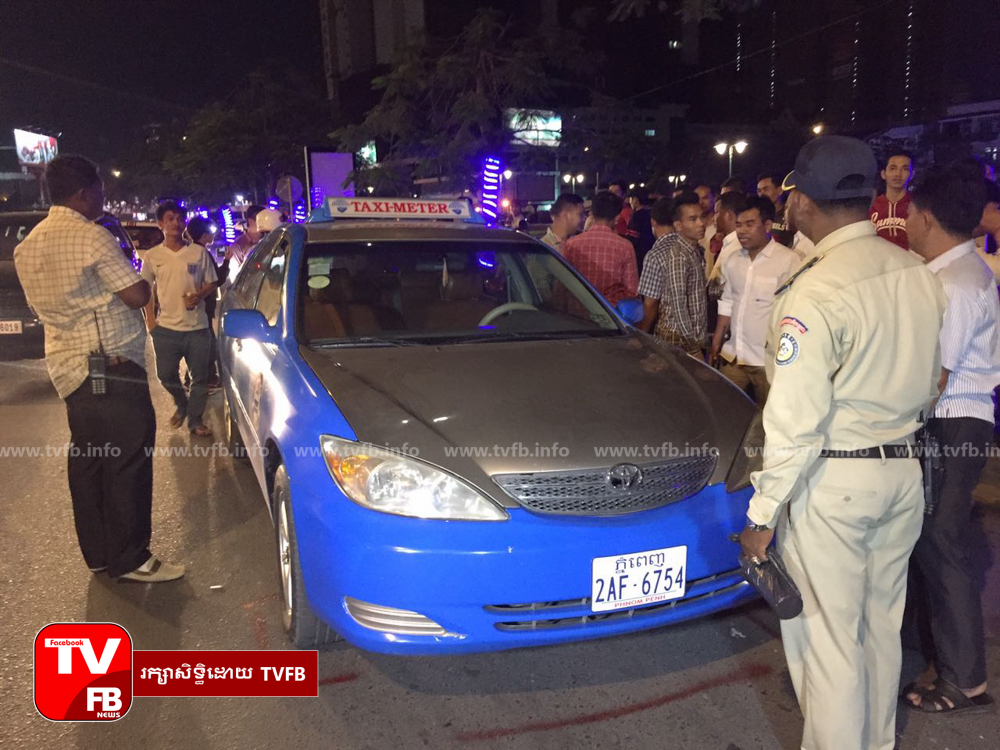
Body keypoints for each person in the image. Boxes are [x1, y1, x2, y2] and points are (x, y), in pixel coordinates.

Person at [739, 136, 946, 750]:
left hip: (835, 482)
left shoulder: (816, 290)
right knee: (880, 630)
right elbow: (932, 382)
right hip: (901, 471)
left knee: (828, 646)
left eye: (791, 194)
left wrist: (761, 515)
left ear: (804, 201)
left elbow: (795, 420)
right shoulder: (915, 272)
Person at [13, 155, 184, 582]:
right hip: (112, 366)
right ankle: (131, 558)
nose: (103, 198)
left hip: (69, 370)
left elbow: (39, 307)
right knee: (128, 460)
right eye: (100, 190)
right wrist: (141, 282)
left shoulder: (26, 247)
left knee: (89, 461)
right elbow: (137, 295)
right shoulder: (92, 237)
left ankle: (99, 555)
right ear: (83, 193)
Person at [903, 163, 999, 716]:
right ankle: (931, 653)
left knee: (942, 542)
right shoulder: (957, 272)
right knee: (930, 539)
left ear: (927, 218)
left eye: (910, 212)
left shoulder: (955, 283)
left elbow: (934, 377)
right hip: (953, 421)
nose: (905, 222)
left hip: (951, 423)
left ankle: (965, 678)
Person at [709, 196, 799, 406]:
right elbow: (728, 300)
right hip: (733, 356)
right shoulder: (732, 260)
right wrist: (717, 340)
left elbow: (793, 312)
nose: (742, 231)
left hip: (766, 361)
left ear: (767, 225)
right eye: (739, 225)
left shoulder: (787, 261)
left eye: (749, 224)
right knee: (725, 409)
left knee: (769, 415)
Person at [142, 201, 219, 437]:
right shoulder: (153, 256)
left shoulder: (198, 252)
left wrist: (200, 295)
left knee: (200, 378)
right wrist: (151, 322)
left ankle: (195, 420)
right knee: (165, 375)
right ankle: (182, 404)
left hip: (197, 327)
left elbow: (212, 282)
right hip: (165, 329)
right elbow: (146, 290)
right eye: (170, 218)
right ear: (160, 224)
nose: (176, 222)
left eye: (179, 218)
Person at [637, 192, 707, 356]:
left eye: (701, 217)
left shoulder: (694, 250)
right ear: (677, 225)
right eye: (693, 219)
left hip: (688, 337)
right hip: (679, 338)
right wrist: (693, 349)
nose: (701, 223)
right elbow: (678, 305)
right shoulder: (679, 255)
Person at [562, 190, 638, 305]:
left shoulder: (571, 244)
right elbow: (632, 290)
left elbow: (564, 284)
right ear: (617, 217)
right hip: (611, 311)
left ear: (592, 214)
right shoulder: (625, 246)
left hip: (578, 310)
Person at [186, 216, 224, 390]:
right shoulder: (203, 253)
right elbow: (217, 279)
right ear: (204, 235)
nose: (214, 235)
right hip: (203, 303)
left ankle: (195, 377)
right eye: (211, 231)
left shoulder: (190, 251)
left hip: (197, 303)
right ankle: (206, 379)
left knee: (202, 342)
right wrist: (227, 260)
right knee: (207, 344)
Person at [869, 149, 915, 250]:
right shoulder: (872, 206)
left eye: (905, 169)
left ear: (912, 174)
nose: (898, 174)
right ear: (883, 174)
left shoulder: (917, 207)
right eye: (893, 168)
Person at [757, 173, 794, 247]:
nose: (762, 194)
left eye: (766, 189)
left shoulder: (790, 215)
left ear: (780, 190)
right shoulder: (757, 217)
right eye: (759, 191)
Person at [625, 187, 655, 272]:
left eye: (631, 199)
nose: (630, 202)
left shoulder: (636, 216)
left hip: (639, 255)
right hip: (651, 252)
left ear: (635, 200)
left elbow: (631, 239)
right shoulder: (651, 213)